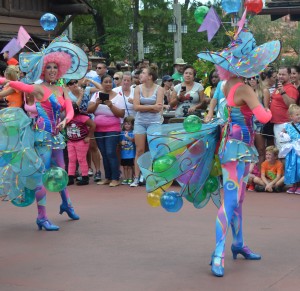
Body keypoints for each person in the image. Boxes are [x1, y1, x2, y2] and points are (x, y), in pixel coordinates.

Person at [198, 28, 280, 277]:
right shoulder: (243, 89)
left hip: (233, 148)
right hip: (237, 150)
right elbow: (265, 116)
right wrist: (263, 98)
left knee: (239, 199)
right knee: (232, 201)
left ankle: (238, 243)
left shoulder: (224, 84)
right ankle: (218, 252)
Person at [0, 46, 88, 230]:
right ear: (42, 69)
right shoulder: (38, 88)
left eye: (56, 67)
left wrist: (66, 120)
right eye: (49, 67)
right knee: (40, 176)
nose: (53, 70)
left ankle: (66, 204)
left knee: (60, 174)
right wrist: (4, 80)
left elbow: (70, 109)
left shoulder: (62, 88)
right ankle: (42, 216)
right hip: (41, 138)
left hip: (57, 138)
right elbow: (15, 84)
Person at [87, 74, 125, 187]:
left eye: (110, 82)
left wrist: (111, 106)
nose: (108, 84)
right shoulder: (96, 95)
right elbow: (89, 110)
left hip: (112, 129)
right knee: (103, 153)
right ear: (102, 83)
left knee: (110, 152)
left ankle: (115, 177)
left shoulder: (118, 96)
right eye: (106, 82)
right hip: (98, 129)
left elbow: (121, 114)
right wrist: (97, 103)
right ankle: (108, 177)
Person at [130, 64, 164, 187]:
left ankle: (152, 176)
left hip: (154, 122)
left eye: (143, 73)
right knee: (139, 150)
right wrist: (151, 106)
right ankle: (136, 177)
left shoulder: (159, 89)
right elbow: (136, 107)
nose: (140, 75)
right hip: (140, 122)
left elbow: (158, 108)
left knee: (154, 150)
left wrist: (146, 108)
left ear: (150, 76)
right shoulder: (137, 88)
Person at [270, 66, 299, 151]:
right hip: (277, 123)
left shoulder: (291, 88)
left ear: (289, 75)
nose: (280, 76)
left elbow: (292, 106)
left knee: (284, 151)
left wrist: (283, 92)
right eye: (279, 74)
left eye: (283, 74)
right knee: (279, 149)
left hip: (285, 124)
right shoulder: (279, 86)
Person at [66, 102, 96, 186]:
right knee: (71, 159)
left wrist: (89, 136)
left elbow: (93, 125)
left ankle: (85, 177)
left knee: (81, 159)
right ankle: (70, 177)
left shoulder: (82, 118)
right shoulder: (67, 118)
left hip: (81, 141)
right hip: (71, 141)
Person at [246, 75, 271, 169]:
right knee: (250, 149)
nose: (252, 80)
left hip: (259, 123)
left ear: (258, 78)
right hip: (248, 123)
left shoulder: (264, 91)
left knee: (260, 149)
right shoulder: (246, 92)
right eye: (249, 78)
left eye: (254, 77)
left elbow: (266, 109)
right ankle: (252, 173)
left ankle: (260, 172)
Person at [278, 104, 300, 194]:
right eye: (297, 115)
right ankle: (294, 185)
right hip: (291, 150)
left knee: (298, 167)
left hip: (299, 150)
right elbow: (281, 133)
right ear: (291, 116)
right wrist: (283, 134)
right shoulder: (287, 125)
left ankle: (299, 186)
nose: (299, 116)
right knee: (291, 167)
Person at [120, 116, 136, 185]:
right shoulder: (121, 133)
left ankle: (130, 178)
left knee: (130, 167)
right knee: (125, 167)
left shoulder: (133, 132)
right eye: (125, 124)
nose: (127, 125)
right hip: (123, 153)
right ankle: (125, 178)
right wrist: (121, 143)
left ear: (132, 125)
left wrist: (128, 137)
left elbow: (134, 140)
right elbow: (119, 141)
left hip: (131, 153)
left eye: (129, 124)